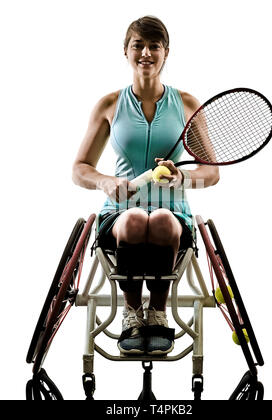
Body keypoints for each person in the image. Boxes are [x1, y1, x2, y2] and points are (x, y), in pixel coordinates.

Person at [72, 16, 219, 356]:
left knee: (163, 220)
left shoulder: (185, 104)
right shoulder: (109, 105)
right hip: (120, 215)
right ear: (126, 52)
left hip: (173, 214)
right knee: (136, 219)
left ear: (166, 53)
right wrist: (105, 182)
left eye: (154, 46)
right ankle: (132, 312)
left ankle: (158, 310)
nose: (146, 53)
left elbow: (211, 172)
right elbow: (79, 169)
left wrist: (182, 177)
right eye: (138, 45)